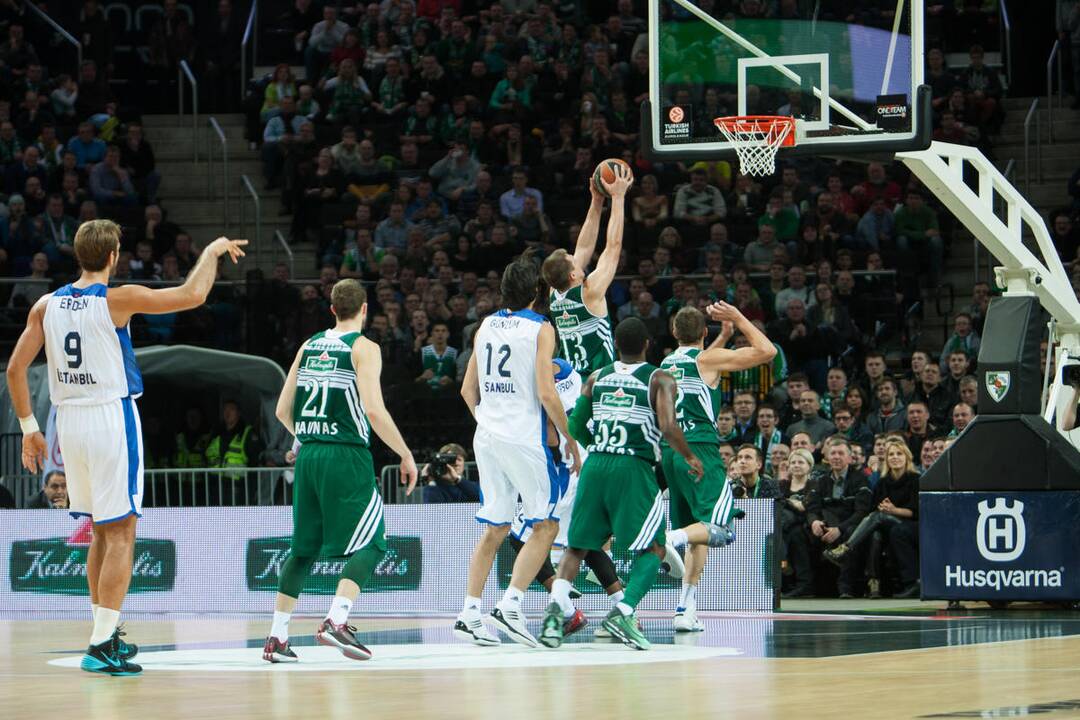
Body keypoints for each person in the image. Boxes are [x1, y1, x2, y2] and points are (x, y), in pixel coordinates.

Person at [6, 220, 247, 675]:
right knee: (121, 533)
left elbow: (16, 369)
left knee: (100, 530)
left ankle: (104, 634)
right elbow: (192, 295)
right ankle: (100, 645)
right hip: (110, 418)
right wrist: (212, 251)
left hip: (67, 424)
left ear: (78, 255)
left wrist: (29, 428)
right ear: (114, 256)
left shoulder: (45, 305)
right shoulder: (118, 299)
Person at [262, 279, 418, 663]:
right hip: (345, 455)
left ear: (331, 309)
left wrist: (307, 437)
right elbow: (374, 410)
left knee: (303, 550)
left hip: (311, 454)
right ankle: (336, 620)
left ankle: (276, 639)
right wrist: (405, 453)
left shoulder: (309, 345)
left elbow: (283, 410)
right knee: (374, 541)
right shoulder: (364, 348)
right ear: (365, 310)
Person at [540, 317, 702, 651]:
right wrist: (689, 457)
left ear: (615, 345)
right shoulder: (660, 377)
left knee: (577, 546)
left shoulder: (597, 377)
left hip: (596, 463)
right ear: (647, 345)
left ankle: (556, 614)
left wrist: (594, 444)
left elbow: (574, 423)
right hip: (633, 467)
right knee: (655, 547)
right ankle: (623, 612)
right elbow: (669, 427)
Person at [455, 257, 581, 648]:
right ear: (538, 291)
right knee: (546, 525)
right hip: (523, 438)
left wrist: (490, 419)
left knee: (496, 527)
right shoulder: (542, 328)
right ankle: (510, 605)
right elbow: (546, 392)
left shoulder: (485, 325)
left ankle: (470, 612)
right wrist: (569, 436)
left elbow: (466, 390)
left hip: (486, 435)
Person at [660, 303, 777, 632]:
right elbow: (766, 351)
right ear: (703, 333)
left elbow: (701, 363)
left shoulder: (666, 364)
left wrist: (721, 338)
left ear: (673, 333)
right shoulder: (707, 360)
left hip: (671, 452)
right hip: (700, 450)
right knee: (718, 528)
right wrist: (738, 319)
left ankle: (685, 606)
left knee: (701, 533)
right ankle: (670, 537)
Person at [542, 166, 632, 379]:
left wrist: (597, 201)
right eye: (573, 261)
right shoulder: (589, 293)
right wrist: (618, 198)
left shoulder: (554, 294)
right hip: (596, 380)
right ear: (573, 275)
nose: (577, 258)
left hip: (568, 381)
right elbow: (613, 247)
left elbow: (583, 247)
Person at [823, 439, 920, 599]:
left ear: (907, 457)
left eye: (899, 454)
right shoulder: (883, 482)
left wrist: (894, 510)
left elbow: (916, 512)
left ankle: (845, 549)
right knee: (875, 535)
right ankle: (874, 584)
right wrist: (884, 509)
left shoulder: (915, 479)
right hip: (887, 524)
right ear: (886, 459)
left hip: (910, 525)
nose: (895, 457)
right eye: (891, 454)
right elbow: (874, 507)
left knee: (878, 517)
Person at [805, 436, 871, 597]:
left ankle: (845, 588)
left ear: (849, 458)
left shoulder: (861, 479)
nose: (836, 457)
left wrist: (839, 529)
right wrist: (814, 522)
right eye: (833, 453)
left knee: (850, 534)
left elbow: (862, 512)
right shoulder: (820, 481)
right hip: (827, 523)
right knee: (803, 531)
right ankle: (808, 586)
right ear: (827, 458)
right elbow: (812, 507)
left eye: (841, 453)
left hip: (849, 525)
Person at [780, 449, 816, 598]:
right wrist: (793, 503)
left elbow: (806, 507)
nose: (796, 465)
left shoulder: (814, 484)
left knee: (796, 534)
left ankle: (803, 582)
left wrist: (787, 502)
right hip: (784, 525)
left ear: (809, 465)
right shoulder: (782, 485)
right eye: (793, 462)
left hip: (806, 525)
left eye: (800, 462)